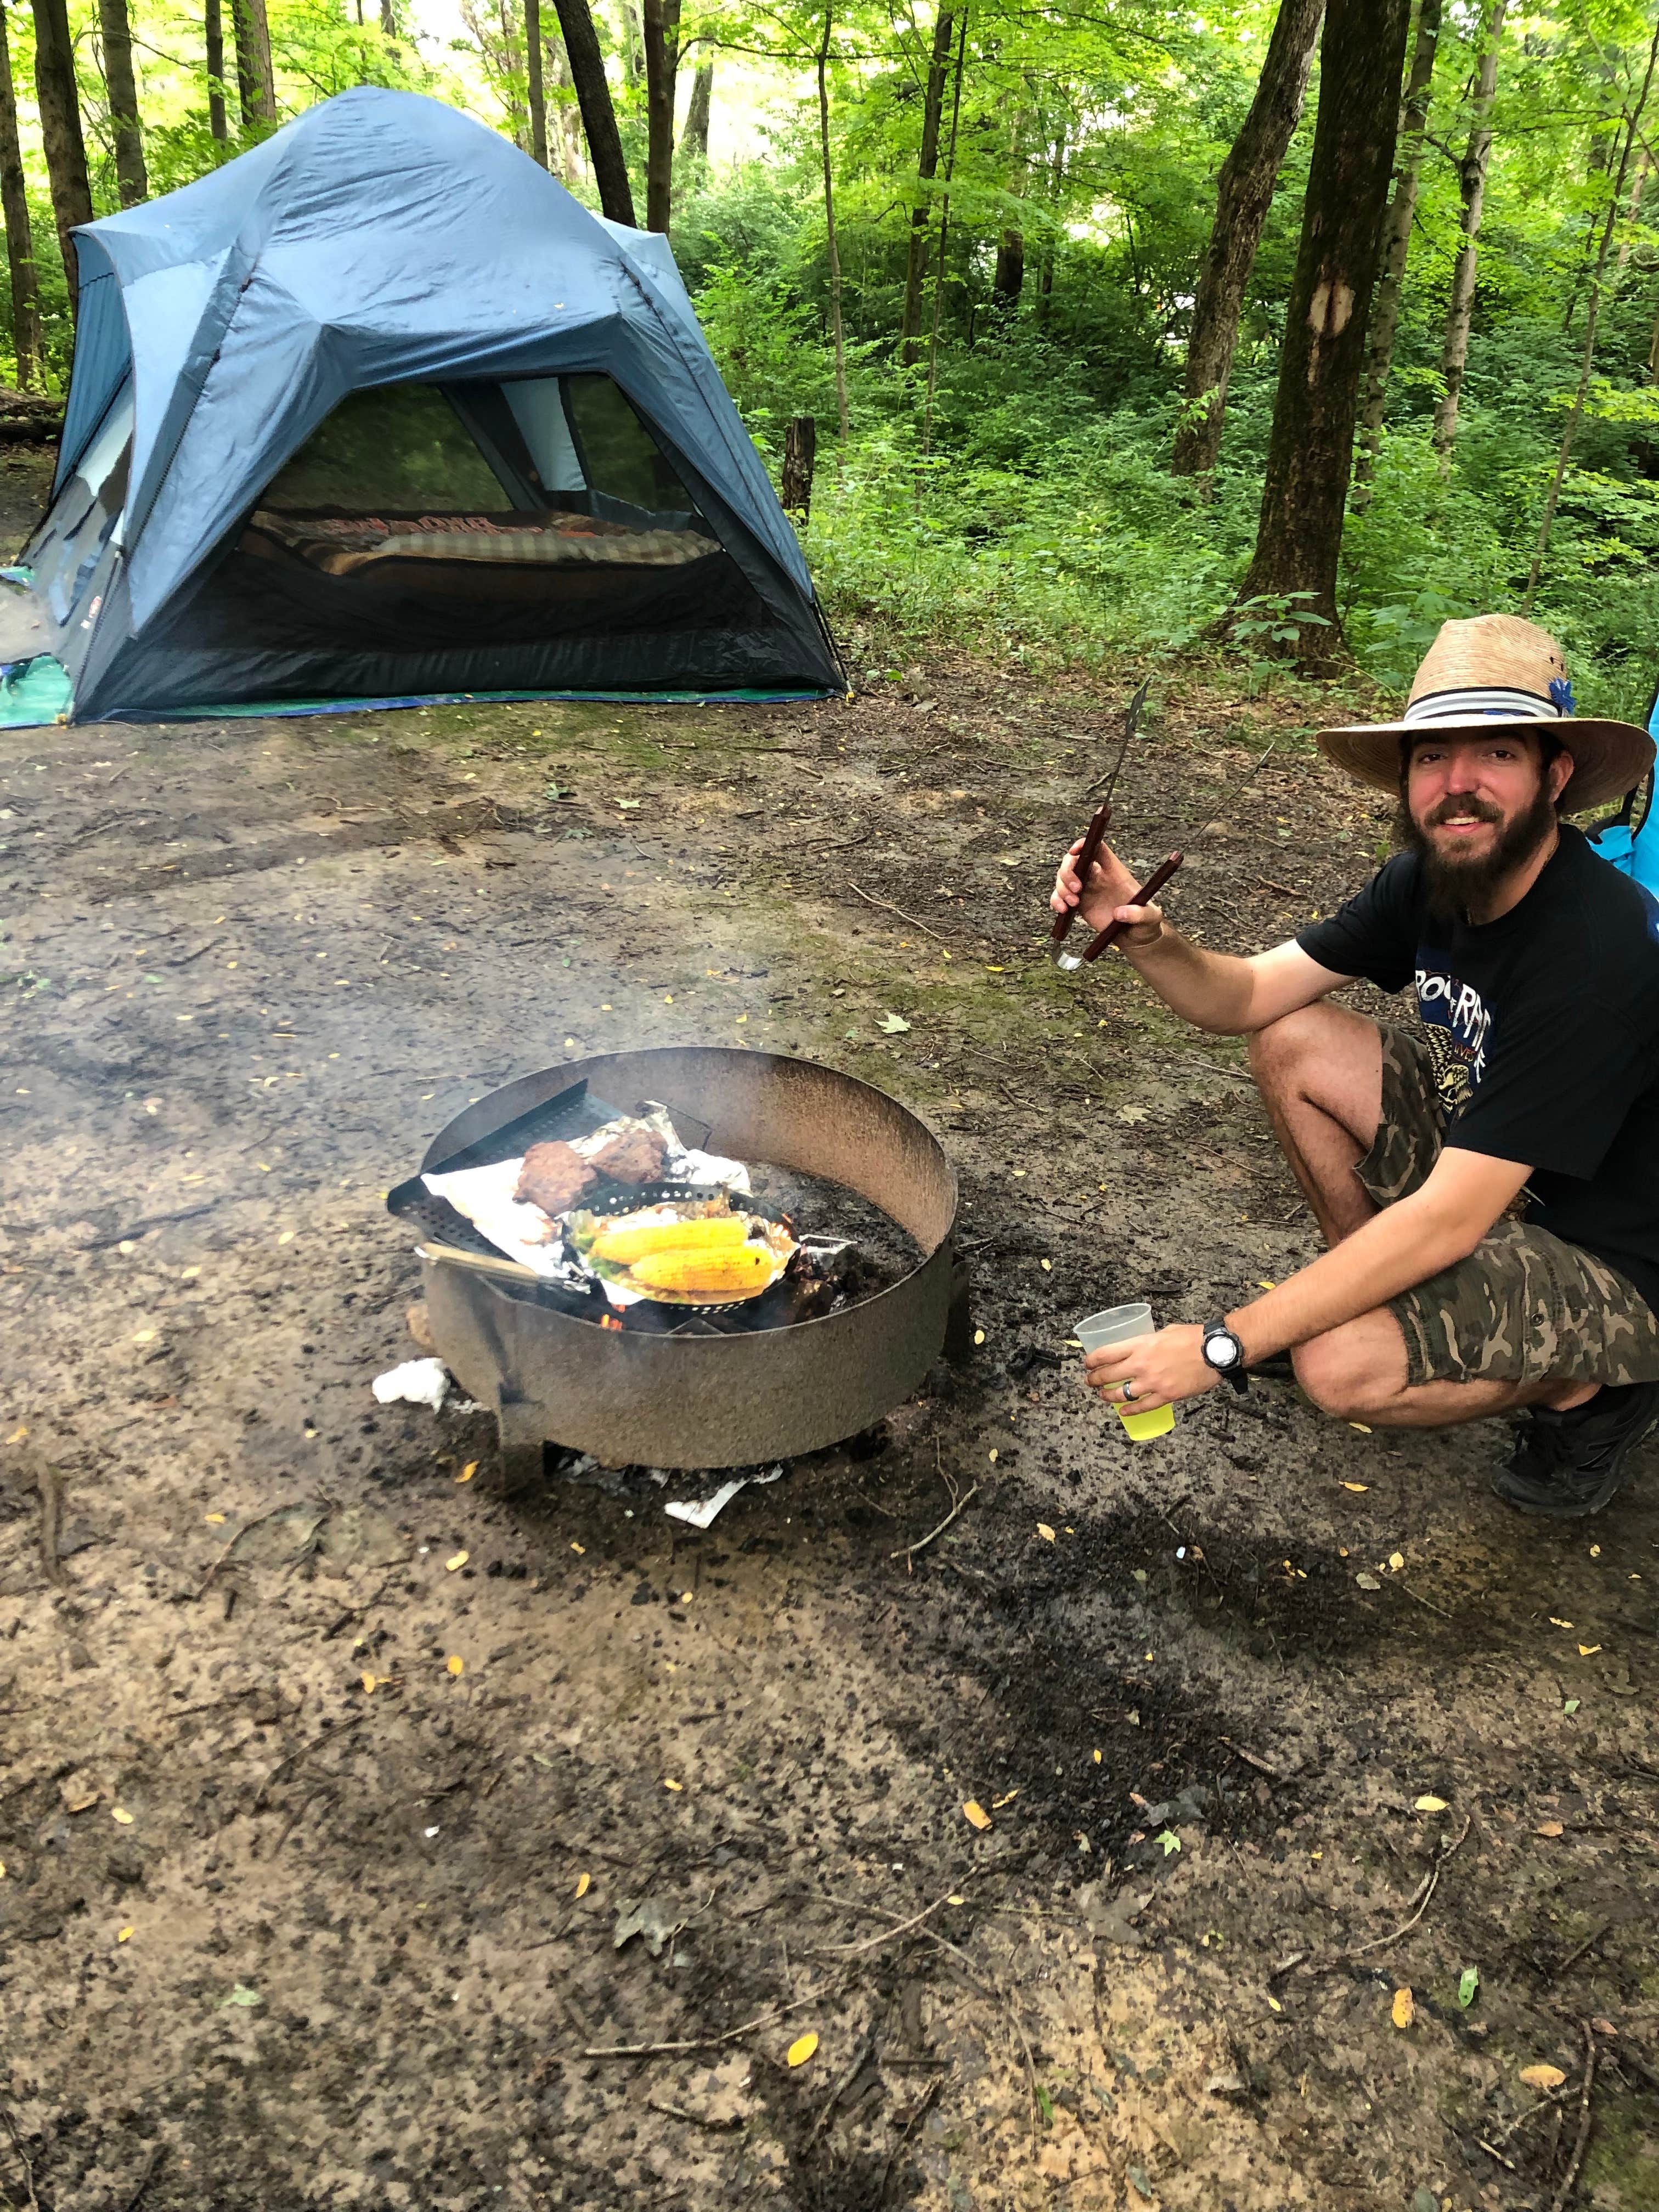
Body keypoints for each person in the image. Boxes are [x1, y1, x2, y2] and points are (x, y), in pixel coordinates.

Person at [1050, 614, 1659, 1518]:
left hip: (1617, 1260)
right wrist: (1146, 938)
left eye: (1495, 753)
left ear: (1554, 774)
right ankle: (1380, 1301)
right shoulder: (1430, 880)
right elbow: (1249, 997)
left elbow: (1451, 1219)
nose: (1459, 785)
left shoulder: (1599, 952)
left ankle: (1595, 1395)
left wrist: (1225, 1345)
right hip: (1500, 1180)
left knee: (1336, 1365)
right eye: (1430, 757)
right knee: (1294, 1038)